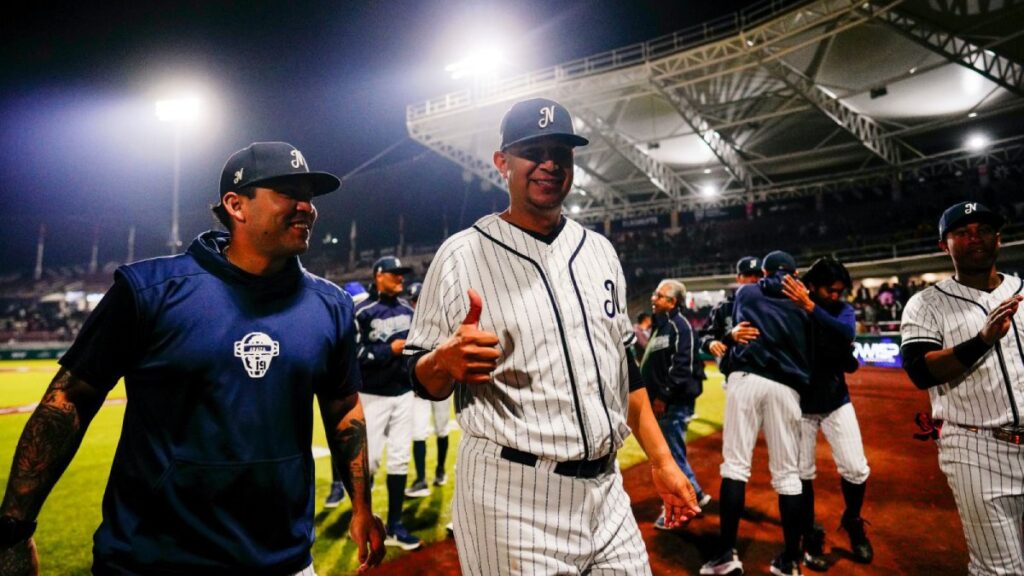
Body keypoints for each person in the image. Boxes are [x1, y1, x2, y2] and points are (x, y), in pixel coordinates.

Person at [0, 141, 386, 574]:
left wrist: (361, 506)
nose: (306, 208)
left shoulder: (331, 305)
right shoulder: (149, 292)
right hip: (152, 560)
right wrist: (14, 529)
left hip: (285, 559)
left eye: (309, 197)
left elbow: (342, 405)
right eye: (288, 193)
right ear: (236, 205)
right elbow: (69, 400)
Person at [404, 97, 700, 575]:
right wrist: (442, 362)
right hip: (511, 497)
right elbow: (418, 376)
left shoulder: (600, 251)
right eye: (532, 152)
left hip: (607, 491)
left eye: (560, 152)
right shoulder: (460, 254)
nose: (549, 164)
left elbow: (624, 369)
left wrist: (663, 461)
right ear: (502, 162)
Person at [901, 201, 1024, 575]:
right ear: (944, 245)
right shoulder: (925, 304)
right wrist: (982, 340)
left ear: (998, 239)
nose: (975, 238)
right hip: (977, 448)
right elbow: (920, 371)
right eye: (962, 232)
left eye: (984, 230)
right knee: (1000, 570)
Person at [701, 250, 811, 576]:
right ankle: (791, 560)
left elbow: (746, 316)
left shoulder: (747, 293)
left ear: (763, 273)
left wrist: (730, 335)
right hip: (787, 387)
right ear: (795, 274)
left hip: (747, 379)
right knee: (788, 475)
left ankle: (726, 555)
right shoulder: (805, 303)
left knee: (735, 467)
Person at [779, 257, 872, 570]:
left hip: (836, 401)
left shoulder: (840, 309)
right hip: (799, 406)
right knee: (803, 474)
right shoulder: (792, 309)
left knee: (856, 468)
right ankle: (809, 533)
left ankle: (853, 520)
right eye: (829, 290)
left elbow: (846, 332)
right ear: (812, 285)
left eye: (839, 291)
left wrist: (810, 307)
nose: (835, 296)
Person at [355, 256, 423, 551]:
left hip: (403, 393)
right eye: (394, 274)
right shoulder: (362, 310)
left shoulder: (408, 310)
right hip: (372, 395)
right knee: (368, 462)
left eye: (402, 274)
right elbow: (353, 353)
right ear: (378, 275)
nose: (400, 278)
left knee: (399, 457)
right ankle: (363, 519)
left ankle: (395, 524)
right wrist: (389, 350)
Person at [642, 279, 712, 529]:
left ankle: (681, 505)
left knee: (669, 457)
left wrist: (663, 396)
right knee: (672, 453)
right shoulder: (661, 326)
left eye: (659, 296)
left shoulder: (680, 326)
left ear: (672, 302)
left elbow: (683, 366)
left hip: (672, 403)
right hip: (663, 402)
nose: (653, 299)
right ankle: (696, 494)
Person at [324, 281, 372, 509]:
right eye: (357, 303)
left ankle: (361, 486)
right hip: (346, 385)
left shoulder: (367, 318)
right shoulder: (338, 320)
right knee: (342, 435)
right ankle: (337, 484)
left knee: (362, 442)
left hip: (370, 386)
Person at [404, 281, 453, 498]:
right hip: (418, 388)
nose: (416, 305)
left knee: (442, 429)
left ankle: (440, 470)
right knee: (418, 431)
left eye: (418, 300)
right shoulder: (408, 322)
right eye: (413, 301)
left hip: (441, 384)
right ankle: (421, 479)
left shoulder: (442, 319)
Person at [698, 256, 763, 376]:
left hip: (768, 375)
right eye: (748, 275)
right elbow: (704, 336)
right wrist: (710, 343)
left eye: (758, 275)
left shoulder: (773, 304)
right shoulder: (723, 307)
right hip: (735, 374)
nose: (754, 279)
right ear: (738, 278)